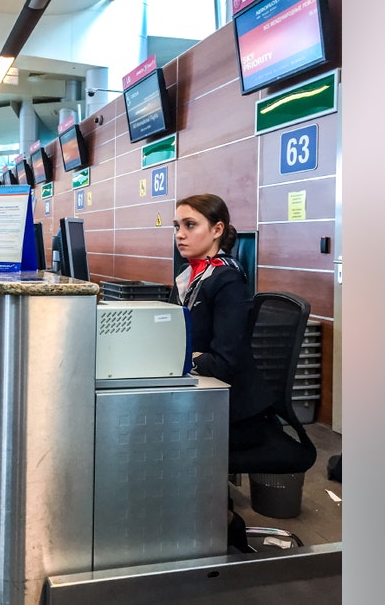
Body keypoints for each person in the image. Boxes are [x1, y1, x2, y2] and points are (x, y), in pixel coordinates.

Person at [170, 193, 265, 553]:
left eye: (190, 225)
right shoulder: (191, 277)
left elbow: (224, 361)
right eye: (178, 226)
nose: (180, 233)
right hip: (205, 393)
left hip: (235, 409)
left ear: (217, 230)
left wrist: (185, 357)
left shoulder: (226, 280)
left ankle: (221, 523)